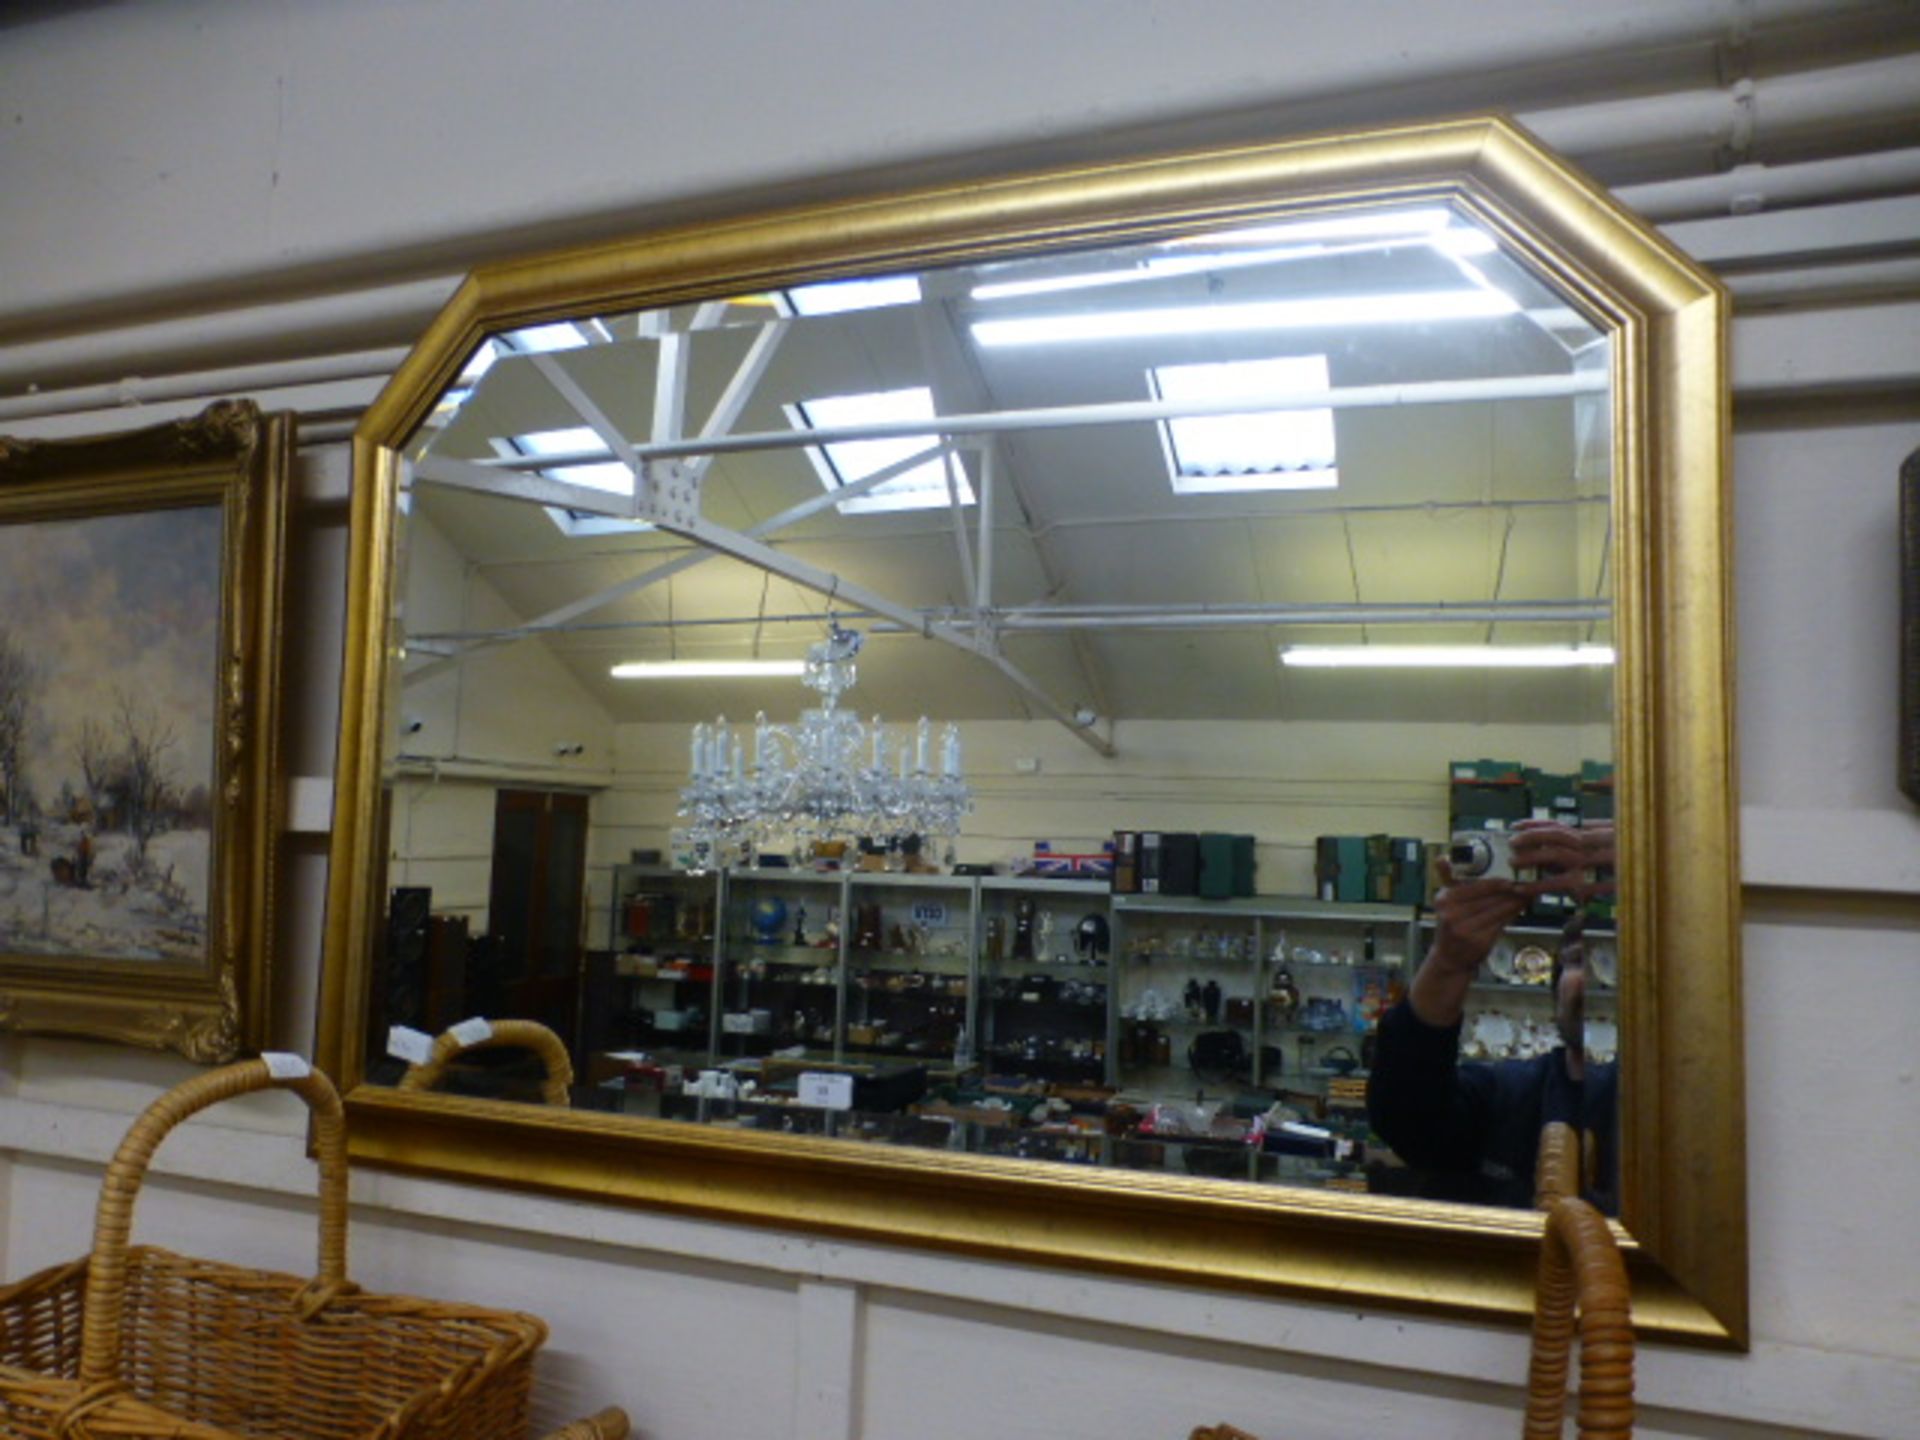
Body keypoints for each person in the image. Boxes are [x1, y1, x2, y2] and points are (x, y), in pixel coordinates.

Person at [1366, 820, 1617, 1211]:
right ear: (1551, 985)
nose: (1582, 981)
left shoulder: (1664, 1099)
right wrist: (1447, 962)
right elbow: (1407, 1120)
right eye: (1573, 962)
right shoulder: (1510, 1092)